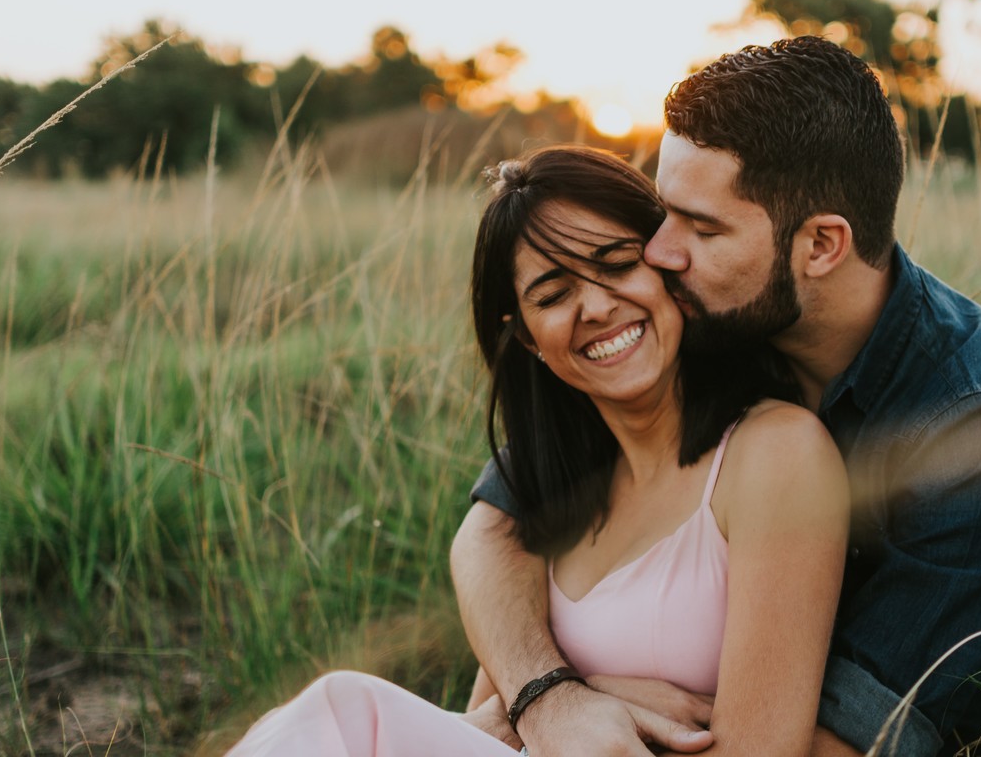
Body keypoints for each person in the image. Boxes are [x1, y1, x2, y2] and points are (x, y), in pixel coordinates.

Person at [452, 37, 981, 756]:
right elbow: (497, 528)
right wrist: (549, 697)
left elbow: (853, 740)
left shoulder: (975, 429)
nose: (658, 253)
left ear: (821, 246)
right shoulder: (711, 308)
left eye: (701, 227)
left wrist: (602, 697)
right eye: (664, 212)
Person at [225, 144, 851, 756]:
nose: (598, 307)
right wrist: (575, 698)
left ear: (668, 266)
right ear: (526, 338)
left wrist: (579, 701)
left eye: (616, 263)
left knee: (341, 710)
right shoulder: (551, 496)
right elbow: (490, 725)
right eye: (553, 296)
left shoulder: (774, 455)